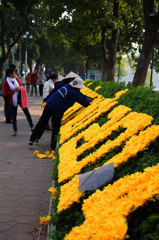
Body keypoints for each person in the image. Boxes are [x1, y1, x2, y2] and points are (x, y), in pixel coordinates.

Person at [29, 77, 93, 150]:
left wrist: (87, 98)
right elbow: (83, 102)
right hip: (57, 109)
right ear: (77, 87)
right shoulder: (73, 93)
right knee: (56, 127)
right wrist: (92, 105)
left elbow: (80, 95)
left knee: (42, 122)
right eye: (80, 88)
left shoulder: (67, 86)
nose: (80, 89)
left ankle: (32, 139)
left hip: (49, 104)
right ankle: (53, 147)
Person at [4, 68, 34, 136]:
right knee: (14, 116)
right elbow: (6, 93)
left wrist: (20, 88)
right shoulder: (6, 83)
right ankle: (15, 130)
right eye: (14, 73)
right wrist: (14, 91)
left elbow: (21, 87)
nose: (15, 74)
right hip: (12, 101)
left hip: (20, 99)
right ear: (10, 74)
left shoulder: (16, 80)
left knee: (27, 113)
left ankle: (32, 126)